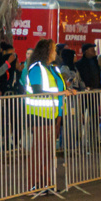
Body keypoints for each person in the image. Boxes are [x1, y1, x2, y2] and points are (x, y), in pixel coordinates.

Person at [22, 39, 74, 190]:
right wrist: (62, 92)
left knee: (48, 151)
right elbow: (38, 92)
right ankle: (34, 184)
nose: (55, 53)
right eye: (53, 49)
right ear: (46, 51)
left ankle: (47, 182)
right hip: (39, 115)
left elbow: (58, 93)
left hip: (52, 115)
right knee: (39, 151)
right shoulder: (37, 68)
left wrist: (59, 117)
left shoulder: (53, 68)